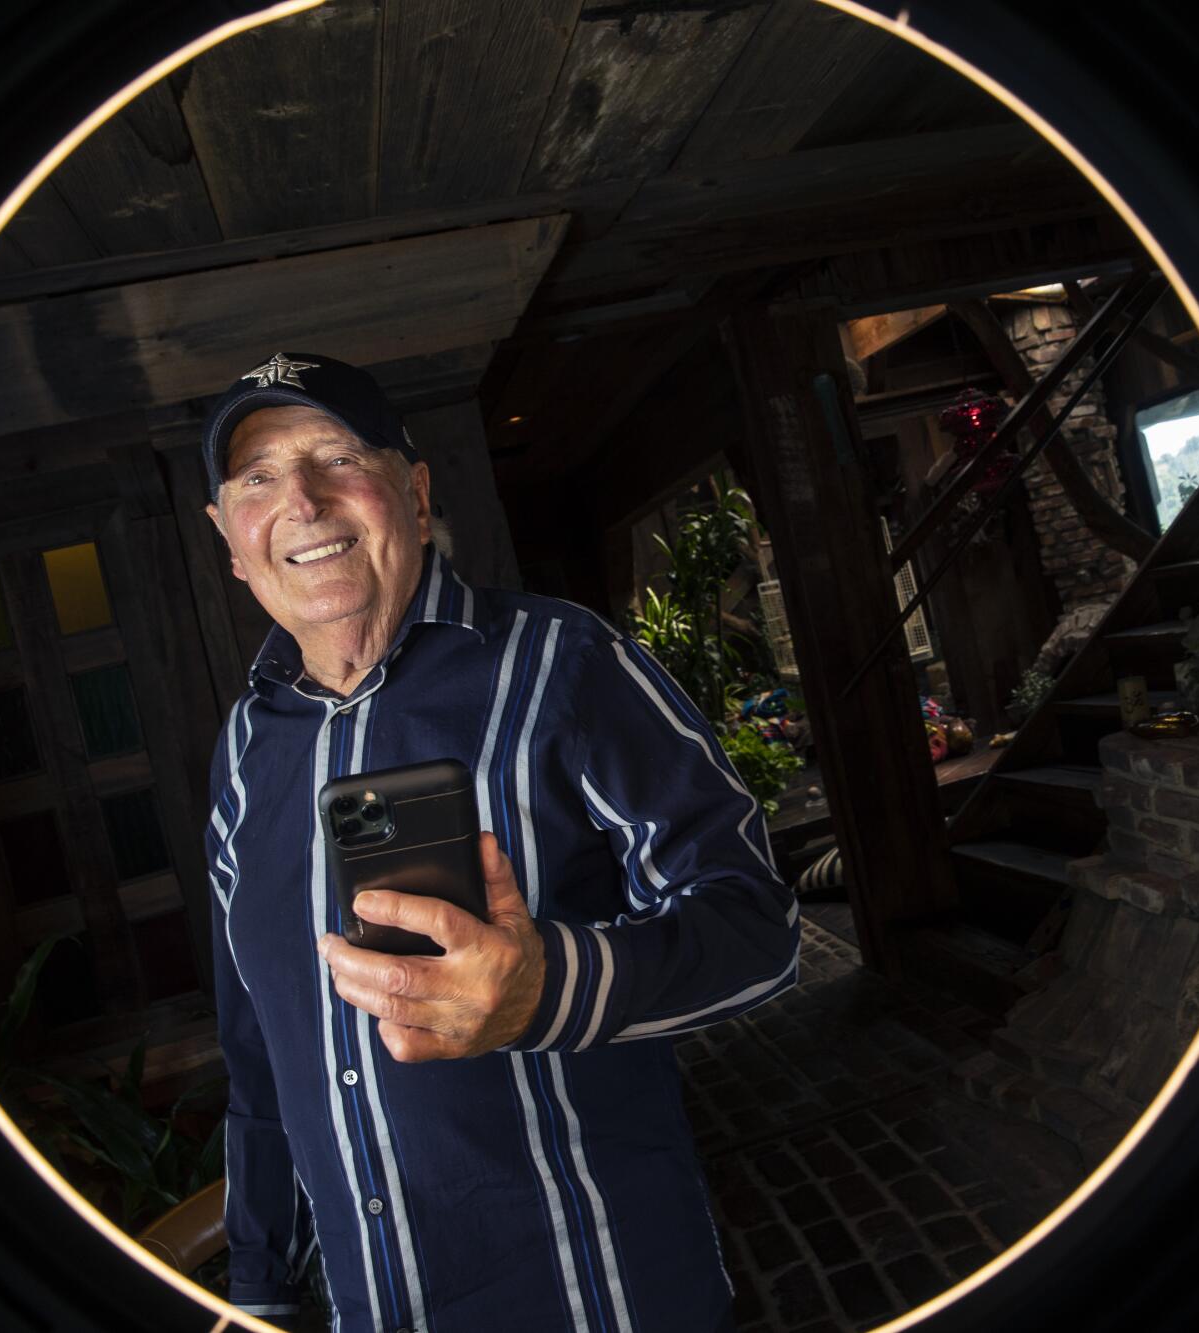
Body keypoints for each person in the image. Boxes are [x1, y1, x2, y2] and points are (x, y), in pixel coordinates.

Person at [200, 351, 799, 1333]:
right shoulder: (242, 749)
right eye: (257, 479)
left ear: (415, 489)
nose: (300, 500)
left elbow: (759, 928)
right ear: (230, 539)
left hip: (595, 1298)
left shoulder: (566, 661)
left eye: (336, 456)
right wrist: (257, 1285)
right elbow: (256, 1047)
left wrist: (548, 986)